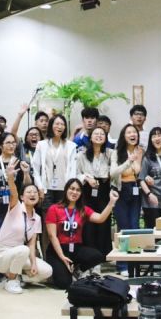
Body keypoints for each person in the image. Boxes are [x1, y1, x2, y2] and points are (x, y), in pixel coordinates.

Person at [0, 162, 52, 294]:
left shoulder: (37, 218)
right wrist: (10, 178)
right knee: (23, 250)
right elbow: (13, 192)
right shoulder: (16, 206)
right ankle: (11, 281)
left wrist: (34, 263)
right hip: (1, 255)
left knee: (47, 271)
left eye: (35, 192)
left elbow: (32, 244)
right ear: (22, 197)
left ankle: (19, 277)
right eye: (28, 192)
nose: (32, 194)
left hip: (20, 254)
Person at [45, 179, 118, 289]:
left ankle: (77, 270)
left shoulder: (83, 209)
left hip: (75, 248)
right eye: (72, 189)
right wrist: (62, 256)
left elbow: (100, 218)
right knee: (64, 284)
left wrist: (111, 202)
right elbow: (52, 236)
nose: (75, 192)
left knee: (98, 256)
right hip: (58, 250)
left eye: (78, 190)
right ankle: (59, 270)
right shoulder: (54, 209)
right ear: (66, 190)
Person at [0, 134, 33, 254]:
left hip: (15, 206)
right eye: (8, 143)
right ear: (1, 145)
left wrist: (26, 173)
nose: (12, 145)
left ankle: (11, 268)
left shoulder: (19, 163)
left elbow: (27, 185)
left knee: (15, 237)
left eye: (13, 143)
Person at [32, 114, 78, 220]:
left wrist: (70, 189)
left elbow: (73, 170)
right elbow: (35, 168)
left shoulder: (71, 146)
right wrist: (40, 187)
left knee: (62, 220)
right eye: (57, 123)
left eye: (62, 124)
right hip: (46, 189)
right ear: (51, 126)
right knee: (48, 220)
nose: (60, 126)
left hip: (64, 189)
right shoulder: (41, 145)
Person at [76, 127, 113, 256]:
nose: (99, 136)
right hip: (87, 190)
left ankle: (103, 256)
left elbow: (114, 171)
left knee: (104, 223)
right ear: (90, 138)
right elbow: (76, 173)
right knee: (88, 225)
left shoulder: (110, 153)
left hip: (103, 190)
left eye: (102, 134)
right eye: (96, 134)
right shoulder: (82, 154)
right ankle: (90, 256)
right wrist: (86, 177)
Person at [110, 124, 143, 232]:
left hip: (135, 190)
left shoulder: (140, 151)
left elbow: (141, 172)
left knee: (135, 225)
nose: (132, 134)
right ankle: (124, 249)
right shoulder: (117, 152)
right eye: (129, 132)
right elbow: (113, 173)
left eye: (134, 132)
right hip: (120, 190)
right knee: (124, 226)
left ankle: (136, 248)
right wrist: (129, 161)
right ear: (123, 136)